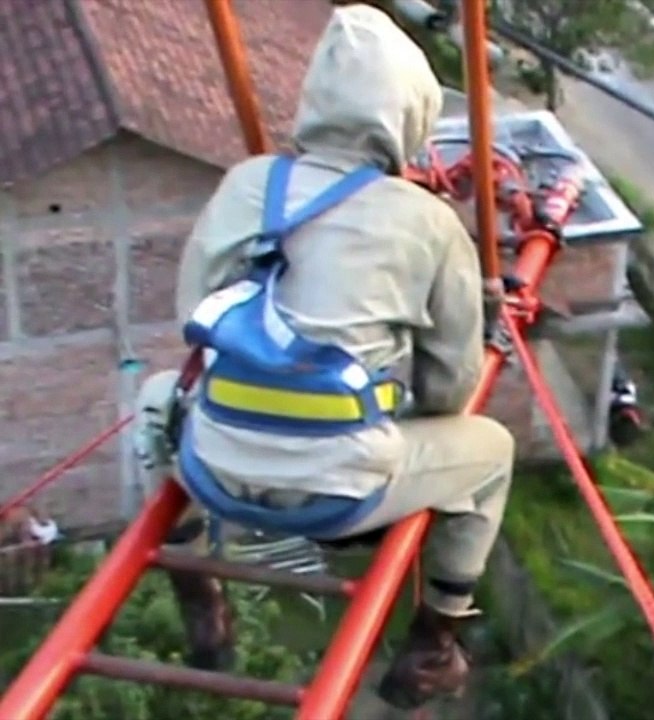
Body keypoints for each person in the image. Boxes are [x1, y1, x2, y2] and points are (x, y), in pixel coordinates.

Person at [132, 4, 513, 708]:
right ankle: (435, 644)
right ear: (410, 113)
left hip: (214, 469)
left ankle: (196, 585)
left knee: (155, 395)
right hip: (343, 493)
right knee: (490, 453)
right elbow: (451, 387)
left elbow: (196, 323)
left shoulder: (247, 184)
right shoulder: (427, 221)